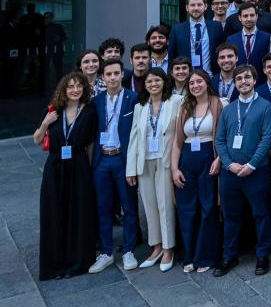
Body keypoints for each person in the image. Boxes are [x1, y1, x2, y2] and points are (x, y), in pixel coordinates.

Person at [213, 65, 271, 277]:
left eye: (247, 77)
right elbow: (219, 139)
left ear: (254, 80)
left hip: (256, 171)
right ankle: (229, 255)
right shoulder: (229, 109)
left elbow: (267, 138)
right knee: (230, 215)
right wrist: (229, 164)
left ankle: (262, 254)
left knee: (261, 214)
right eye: (239, 79)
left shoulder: (265, 106)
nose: (243, 82)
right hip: (230, 173)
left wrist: (251, 165)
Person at [36, 73, 99, 280]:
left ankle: (76, 262)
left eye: (79, 86)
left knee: (77, 214)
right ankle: (55, 264)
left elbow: (90, 146)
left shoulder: (89, 112)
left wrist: (88, 173)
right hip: (55, 168)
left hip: (79, 166)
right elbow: (37, 139)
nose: (75, 90)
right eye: (70, 86)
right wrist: (46, 123)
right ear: (64, 89)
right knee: (54, 213)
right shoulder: (54, 111)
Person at [126, 68, 182, 271]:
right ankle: (156, 246)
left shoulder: (175, 101)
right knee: (149, 205)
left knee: (165, 204)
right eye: (149, 81)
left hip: (165, 160)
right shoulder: (141, 106)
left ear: (164, 82)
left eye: (157, 80)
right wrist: (130, 169)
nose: (153, 84)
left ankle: (168, 249)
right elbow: (133, 137)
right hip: (145, 161)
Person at [89, 58, 140, 274]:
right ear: (102, 77)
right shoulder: (97, 102)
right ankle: (106, 253)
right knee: (103, 206)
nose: (112, 78)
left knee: (129, 206)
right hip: (102, 159)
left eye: (116, 73)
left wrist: (133, 165)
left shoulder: (134, 98)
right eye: (108, 74)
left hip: (122, 158)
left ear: (122, 75)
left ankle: (128, 250)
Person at [172, 71, 223, 274]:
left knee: (208, 208)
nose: (195, 85)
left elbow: (224, 136)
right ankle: (190, 255)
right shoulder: (185, 108)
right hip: (186, 161)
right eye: (191, 83)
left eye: (199, 81)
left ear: (207, 83)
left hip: (209, 159)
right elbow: (176, 143)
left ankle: (207, 256)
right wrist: (174, 169)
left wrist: (219, 159)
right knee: (187, 210)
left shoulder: (218, 103)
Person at [168, 0, 224, 74]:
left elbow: (222, 51)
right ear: (187, 8)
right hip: (187, 78)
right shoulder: (177, 29)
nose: (196, 8)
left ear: (205, 6)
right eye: (192, 5)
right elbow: (171, 58)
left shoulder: (216, 27)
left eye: (199, 5)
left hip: (211, 76)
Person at [231, 3, 271, 78]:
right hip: (239, 83)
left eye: (252, 15)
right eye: (245, 16)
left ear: (257, 16)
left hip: (261, 82)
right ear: (239, 18)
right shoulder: (231, 39)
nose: (249, 19)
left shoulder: (268, 37)